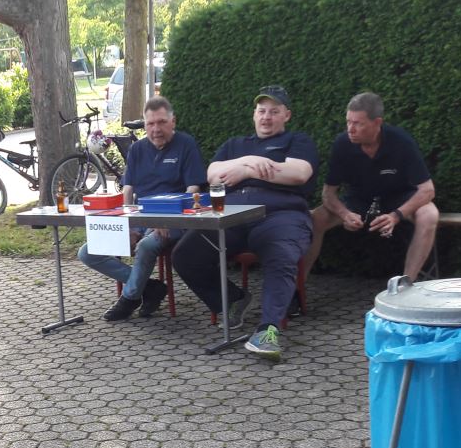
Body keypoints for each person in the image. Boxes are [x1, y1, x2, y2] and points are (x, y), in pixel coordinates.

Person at [171, 85, 318, 361]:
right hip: (232, 216)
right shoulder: (235, 145)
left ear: (286, 115)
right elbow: (213, 174)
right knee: (185, 255)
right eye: (262, 111)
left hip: (279, 215)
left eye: (274, 112)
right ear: (254, 114)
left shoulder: (297, 141)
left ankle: (268, 330)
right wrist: (250, 161)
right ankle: (233, 299)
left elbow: (298, 173)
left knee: (281, 255)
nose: (266, 117)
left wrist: (246, 172)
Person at [78, 96, 205, 321]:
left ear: (173, 121)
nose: (156, 129)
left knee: (146, 245)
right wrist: (127, 225)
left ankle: (129, 298)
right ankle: (149, 287)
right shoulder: (137, 149)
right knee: (88, 252)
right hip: (139, 216)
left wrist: (166, 220)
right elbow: (128, 190)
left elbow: (192, 189)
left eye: (161, 122)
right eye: (150, 124)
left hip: (174, 219)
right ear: (145, 125)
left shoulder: (186, 144)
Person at [303, 92, 438, 283]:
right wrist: (344, 214)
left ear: (377, 123)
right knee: (314, 218)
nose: (350, 129)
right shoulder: (342, 144)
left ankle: (406, 285)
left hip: (399, 199)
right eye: (348, 122)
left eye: (358, 123)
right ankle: (296, 288)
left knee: (429, 215)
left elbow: (427, 190)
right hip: (358, 200)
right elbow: (328, 193)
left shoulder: (401, 141)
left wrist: (396, 215)